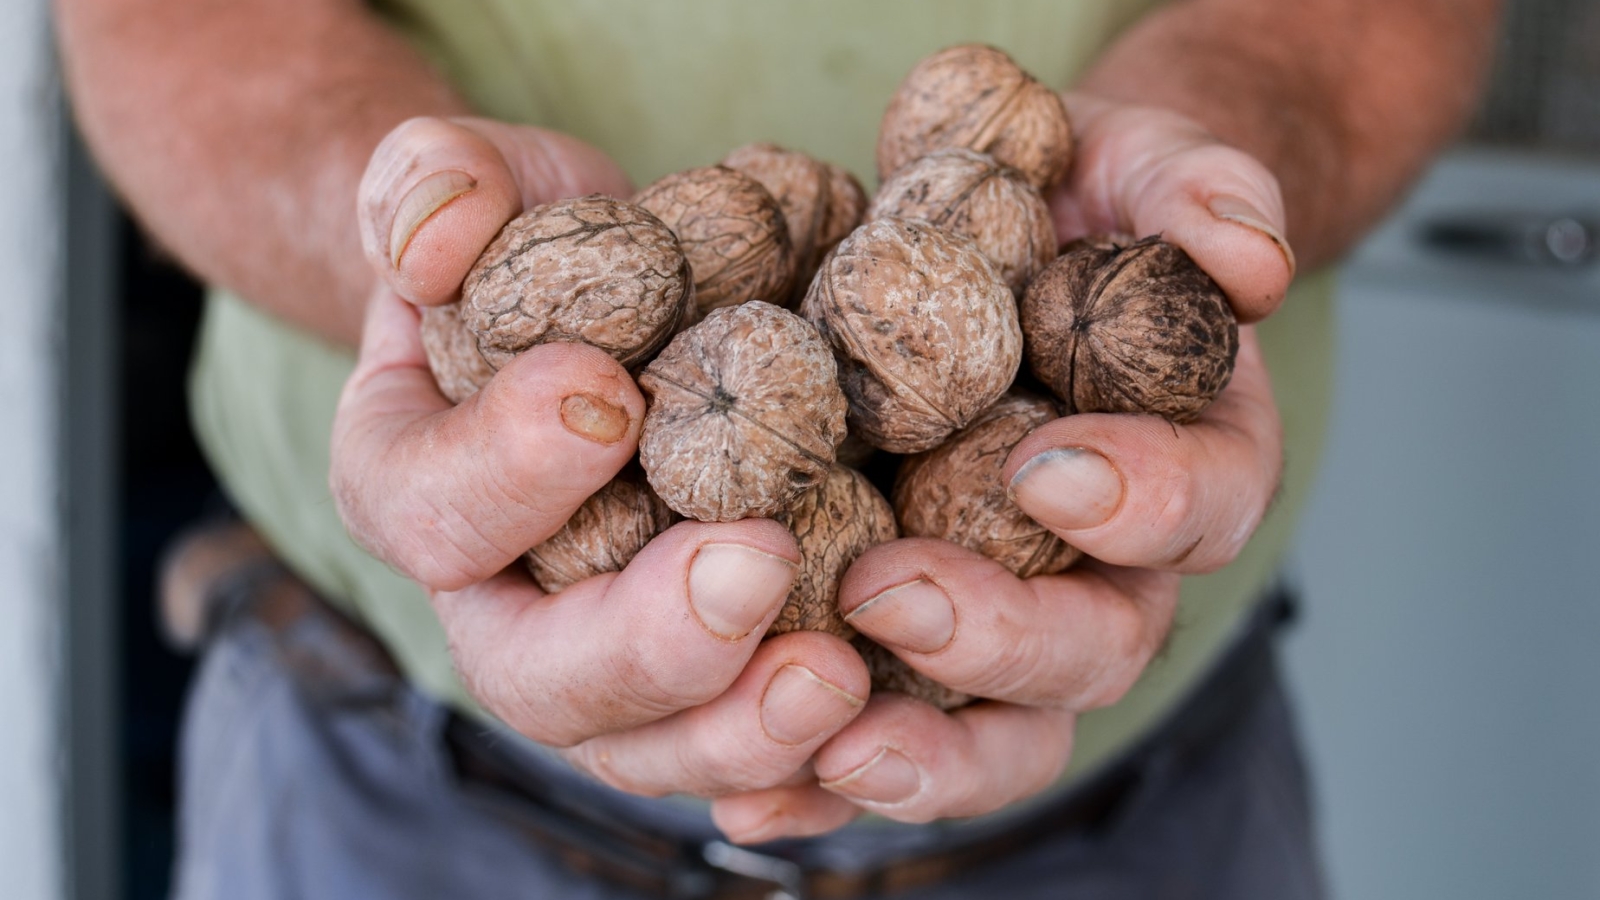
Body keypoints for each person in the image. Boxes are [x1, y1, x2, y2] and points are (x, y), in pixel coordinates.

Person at [57, 1, 1503, 897]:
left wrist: (1212, 153)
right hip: (385, 788)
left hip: (1140, 801)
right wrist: (404, 236)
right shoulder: (692, 351)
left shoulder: (967, 302)